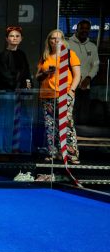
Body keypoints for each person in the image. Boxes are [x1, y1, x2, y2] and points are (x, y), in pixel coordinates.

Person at [36, 29, 81, 164]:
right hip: (47, 94)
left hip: (64, 94)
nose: (56, 41)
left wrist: (71, 91)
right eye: (53, 38)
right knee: (50, 125)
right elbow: (37, 76)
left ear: (63, 40)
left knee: (66, 124)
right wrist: (46, 73)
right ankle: (54, 153)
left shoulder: (69, 54)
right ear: (49, 41)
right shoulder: (45, 56)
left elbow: (77, 75)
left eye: (58, 38)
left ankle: (71, 154)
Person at [0, 25, 32, 153]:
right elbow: (2, 74)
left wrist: (28, 86)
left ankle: (12, 148)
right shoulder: (3, 55)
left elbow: (27, 73)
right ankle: (2, 150)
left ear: (21, 39)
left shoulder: (22, 54)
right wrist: (18, 84)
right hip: (7, 93)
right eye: (11, 36)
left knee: (15, 122)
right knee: (4, 122)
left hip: (18, 94)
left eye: (17, 36)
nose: (14, 38)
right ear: (6, 39)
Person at [66, 20, 100, 125]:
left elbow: (95, 65)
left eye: (87, 28)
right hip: (70, 85)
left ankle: (81, 132)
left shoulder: (92, 47)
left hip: (85, 85)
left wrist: (88, 78)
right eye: (82, 28)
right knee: (70, 112)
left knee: (83, 114)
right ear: (77, 29)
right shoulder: (68, 44)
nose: (84, 30)